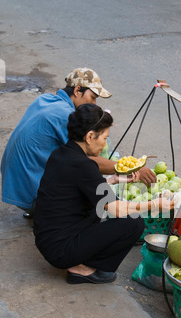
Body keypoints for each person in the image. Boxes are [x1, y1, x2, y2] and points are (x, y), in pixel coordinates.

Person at [33, 103, 174, 284]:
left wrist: (113, 180)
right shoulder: (83, 165)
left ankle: (80, 261)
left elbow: (78, 191)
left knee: (99, 207)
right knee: (133, 223)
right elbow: (117, 209)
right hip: (61, 250)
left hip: (48, 241)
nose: (105, 144)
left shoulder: (61, 154)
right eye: (105, 138)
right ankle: (82, 269)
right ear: (90, 136)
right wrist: (154, 205)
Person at [1, 67, 156, 219]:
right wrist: (132, 168)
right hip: (33, 194)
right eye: (92, 97)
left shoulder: (44, 99)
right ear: (77, 91)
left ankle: (34, 208)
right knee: (91, 191)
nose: (94, 104)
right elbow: (86, 161)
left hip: (15, 186)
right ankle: (40, 209)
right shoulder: (66, 116)